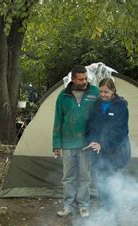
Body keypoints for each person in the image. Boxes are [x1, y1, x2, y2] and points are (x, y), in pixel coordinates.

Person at [52, 65, 99, 217]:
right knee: (68, 177)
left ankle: (83, 205)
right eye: (80, 79)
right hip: (68, 143)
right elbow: (58, 120)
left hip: (87, 144)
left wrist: (120, 102)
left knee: (85, 176)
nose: (84, 81)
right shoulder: (63, 96)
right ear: (72, 79)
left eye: (86, 78)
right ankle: (68, 205)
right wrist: (56, 144)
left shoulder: (95, 92)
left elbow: (107, 106)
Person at [84, 77, 131, 212]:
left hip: (117, 151)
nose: (103, 95)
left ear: (113, 91)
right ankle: (105, 210)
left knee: (113, 181)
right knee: (101, 180)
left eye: (106, 92)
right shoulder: (96, 104)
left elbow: (120, 131)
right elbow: (90, 125)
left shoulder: (121, 106)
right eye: (101, 92)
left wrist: (102, 144)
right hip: (99, 151)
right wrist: (91, 140)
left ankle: (114, 213)